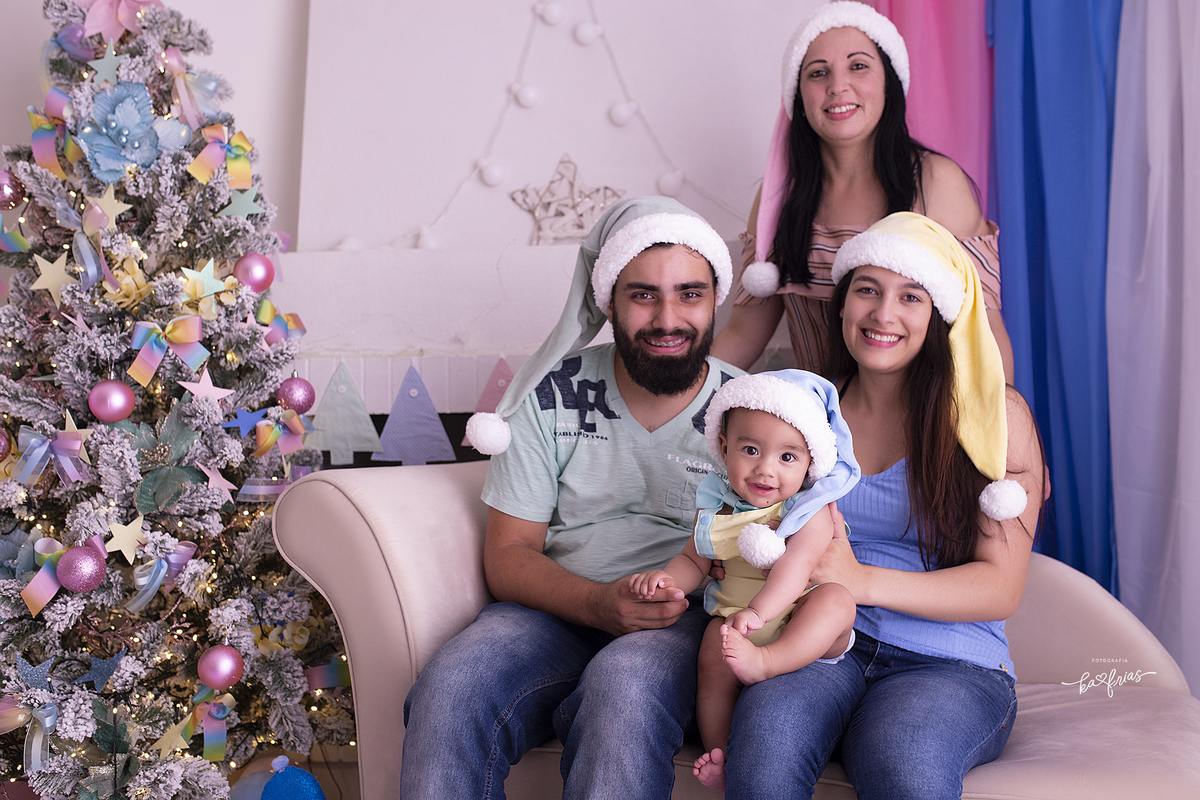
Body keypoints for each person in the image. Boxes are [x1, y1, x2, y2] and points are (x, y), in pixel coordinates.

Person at [399, 196, 744, 799]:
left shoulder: (746, 412)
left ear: (716, 298)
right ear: (608, 301)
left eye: (689, 293)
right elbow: (509, 554)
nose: (668, 318)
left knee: (623, 689)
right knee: (452, 686)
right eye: (643, 295)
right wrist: (594, 604)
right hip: (556, 610)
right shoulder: (551, 393)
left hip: (683, 620)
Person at [722, 212, 1046, 800]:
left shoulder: (994, 419)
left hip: (948, 664)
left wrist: (860, 580)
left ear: (940, 315)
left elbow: (1001, 589)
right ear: (843, 304)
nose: (883, 314)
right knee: (764, 749)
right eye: (867, 289)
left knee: (902, 763)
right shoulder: (805, 412)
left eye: (911, 297)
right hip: (819, 640)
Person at [712, 1, 1015, 383]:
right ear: (798, 97)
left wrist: (998, 432)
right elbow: (742, 333)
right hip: (816, 429)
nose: (838, 87)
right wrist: (679, 411)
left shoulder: (936, 183)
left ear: (889, 81)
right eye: (818, 73)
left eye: (858, 66)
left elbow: (984, 334)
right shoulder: (779, 199)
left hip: (923, 427)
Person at [629, 369, 861, 791]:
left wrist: (759, 613)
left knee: (837, 600)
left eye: (787, 457)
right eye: (751, 449)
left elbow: (795, 570)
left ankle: (770, 663)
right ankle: (721, 753)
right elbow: (693, 559)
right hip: (739, 621)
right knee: (711, 655)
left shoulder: (807, 511)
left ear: (810, 463)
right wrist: (667, 581)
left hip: (800, 620)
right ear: (723, 447)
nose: (766, 470)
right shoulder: (717, 507)